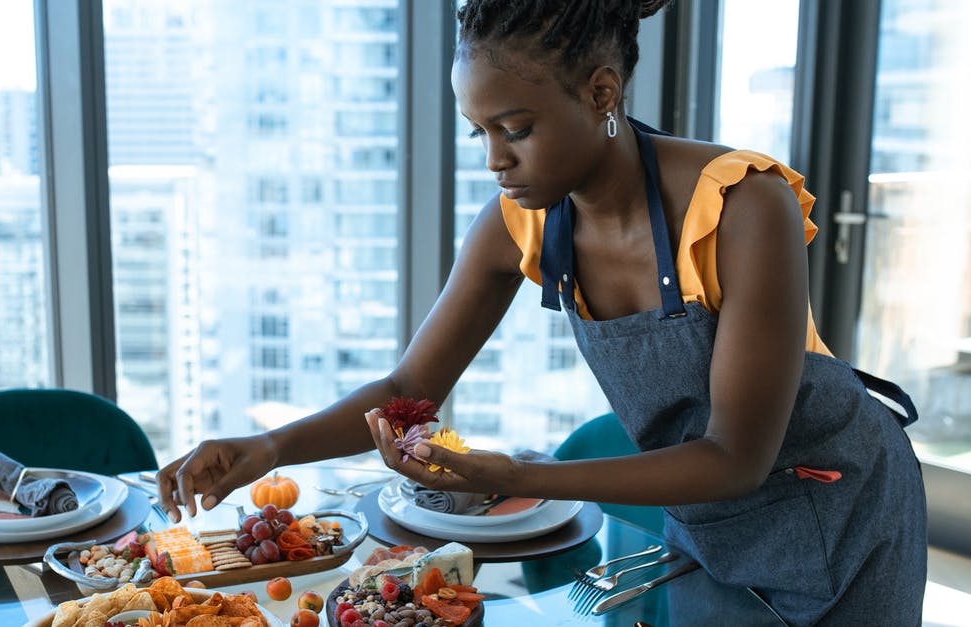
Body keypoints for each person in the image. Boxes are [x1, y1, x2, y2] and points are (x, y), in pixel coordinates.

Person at [158, 1, 927, 623]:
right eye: (480, 132)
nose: (495, 159)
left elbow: (734, 456)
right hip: (712, 526)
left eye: (515, 129)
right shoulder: (519, 221)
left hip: (840, 516)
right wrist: (268, 446)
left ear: (600, 92)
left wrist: (525, 475)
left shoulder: (740, 206)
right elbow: (409, 386)